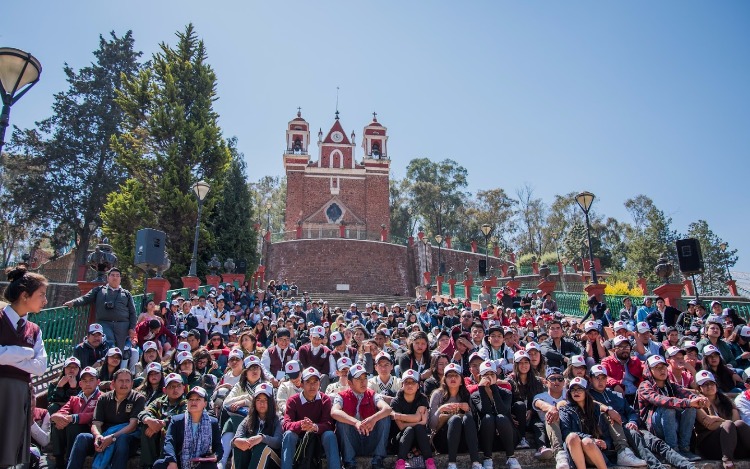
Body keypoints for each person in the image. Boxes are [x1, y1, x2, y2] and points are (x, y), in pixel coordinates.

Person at [588, 364, 687, 468]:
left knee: (658, 443)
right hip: (614, 432)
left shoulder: (615, 395)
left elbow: (631, 412)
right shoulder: (588, 396)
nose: (600, 381)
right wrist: (608, 409)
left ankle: (687, 466)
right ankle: (657, 467)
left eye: (603, 378)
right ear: (590, 379)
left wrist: (633, 422)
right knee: (636, 438)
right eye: (597, 378)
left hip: (630, 426)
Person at [0, 266, 48, 468]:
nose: (45, 300)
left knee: (9, 451)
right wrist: (25, 353)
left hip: (20, 392)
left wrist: (7, 353)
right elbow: (32, 359)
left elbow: (40, 367)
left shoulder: (34, 330)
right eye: (41, 295)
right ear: (25, 296)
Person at [67, 368, 146, 469]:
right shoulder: (104, 398)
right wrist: (98, 436)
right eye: (121, 381)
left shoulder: (138, 398)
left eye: (127, 381)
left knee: (122, 440)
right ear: (113, 383)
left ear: (131, 383)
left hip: (125, 439)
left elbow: (132, 426)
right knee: (82, 437)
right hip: (104, 437)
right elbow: (96, 423)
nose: (124, 384)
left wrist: (112, 438)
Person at [636, 355, 704, 461]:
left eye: (663, 367)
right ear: (649, 370)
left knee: (690, 409)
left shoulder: (670, 385)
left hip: (672, 423)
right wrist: (688, 402)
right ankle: (673, 451)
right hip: (653, 427)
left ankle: (684, 449)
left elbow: (685, 393)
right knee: (668, 409)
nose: (662, 370)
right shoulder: (645, 386)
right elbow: (659, 400)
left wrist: (699, 399)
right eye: (657, 368)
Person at [64, 268, 137, 360]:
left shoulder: (126, 294)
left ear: (120, 279)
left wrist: (132, 328)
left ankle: (116, 372)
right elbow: (85, 298)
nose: (115, 278)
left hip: (122, 325)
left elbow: (133, 312)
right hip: (104, 323)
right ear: (108, 278)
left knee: (120, 350)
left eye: (117, 276)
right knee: (108, 345)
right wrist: (73, 302)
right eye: (112, 275)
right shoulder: (99, 290)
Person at [331, 363, 392, 469]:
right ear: (350, 383)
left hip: (370, 438)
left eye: (365, 378)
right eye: (359, 379)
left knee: (385, 417)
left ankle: (378, 459)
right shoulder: (342, 396)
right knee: (341, 421)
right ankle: (349, 462)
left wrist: (373, 419)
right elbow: (334, 412)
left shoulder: (372, 394)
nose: (363, 382)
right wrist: (355, 422)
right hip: (352, 441)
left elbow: (387, 409)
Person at [281, 366, 340, 469]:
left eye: (315, 382)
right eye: (308, 382)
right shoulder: (293, 400)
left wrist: (314, 427)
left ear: (319, 384)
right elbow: (286, 424)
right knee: (289, 435)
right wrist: (301, 425)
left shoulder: (325, 399)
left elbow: (329, 424)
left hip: (318, 437)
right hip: (299, 436)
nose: (312, 386)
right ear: (301, 384)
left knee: (330, 435)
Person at [689, 370, 750, 467]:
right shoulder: (696, 402)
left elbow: (736, 421)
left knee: (740, 424)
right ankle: (727, 461)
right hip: (710, 445)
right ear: (700, 388)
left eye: (711, 383)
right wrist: (726, 423)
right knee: (729, 425)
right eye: (705, 384)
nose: (709, 386)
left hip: (731, 442)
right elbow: (710, 425)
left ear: (716, 385)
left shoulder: (725, 400)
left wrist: (720, 420)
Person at [428, 363, 482, 469]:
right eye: (449, 376)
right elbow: (431, 425)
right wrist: (440, 410)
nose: (453, 378)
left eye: (456, 375)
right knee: (455, 419)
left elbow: (473, 425)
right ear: (445, 379)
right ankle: (451, 464)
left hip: (462, 441)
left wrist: (468, 410)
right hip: (442, 441)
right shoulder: (437, 395)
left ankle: (475, 462)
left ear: (461, 380)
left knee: (467, 417)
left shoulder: (466, 395)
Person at [153, 386, 222, 469]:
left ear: (205, 403)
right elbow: (169, 442)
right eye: (191, 399)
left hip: (201, 463)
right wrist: (172, 461)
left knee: (210, 466)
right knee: (159, 464)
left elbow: (218, 447)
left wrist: (216, 456)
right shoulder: (176, 420)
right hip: (179, 463)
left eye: (198, 399)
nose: (193, 402)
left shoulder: (212, 422)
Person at [471, 361, 522, 469]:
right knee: (488, 418)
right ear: (480, 377)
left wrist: (494, 388)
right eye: (485, 375)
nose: (489, 378)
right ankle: (487, 458)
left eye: (492, 375)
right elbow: (485, 412)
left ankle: (511, 457)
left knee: (501, 418)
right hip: (487, 439)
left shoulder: (506, 392)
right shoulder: (475, 395)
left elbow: (502, 411)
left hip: (508, 437)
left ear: (496, 376)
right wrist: (481, 388)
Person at [50, 366, 101, 469]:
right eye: (84, 381)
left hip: (91, 435)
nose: (88, 383)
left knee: (73, 426)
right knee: (58, 425)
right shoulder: (75, 399)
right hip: (73, 432)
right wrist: (56, 417)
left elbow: (94, 415)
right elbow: (62, 411)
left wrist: (74, 418)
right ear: (80, 384)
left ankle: (70, 460)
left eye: (91, 380)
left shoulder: (102, 397)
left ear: (98, 382)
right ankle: (59, 461)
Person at [559, 377, 614, 469]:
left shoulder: (596, 408)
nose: (576, 392)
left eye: (580, 389)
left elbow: (606, 434)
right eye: (573, 389)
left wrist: (605, 444)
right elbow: (566, 432)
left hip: (594, 451)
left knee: (587, 442)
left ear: (586, 391)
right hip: (575, 452)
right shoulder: (565, 409)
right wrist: (591, 438)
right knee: (573, 437)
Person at [137, 372, 187, 468]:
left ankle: (166, 461)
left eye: (178, 386)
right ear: (165, 390)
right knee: (146, 425)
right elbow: (143, 413)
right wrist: (149, 420)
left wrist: (162, 423)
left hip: (178, 437)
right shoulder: (160, 401)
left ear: (183, 388)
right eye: (171, 387)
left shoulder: (186, 402)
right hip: (157, 436)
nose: (175, 389)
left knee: (167, 429)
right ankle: (148, 465)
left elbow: (183, 417)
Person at [389, 369, 435, 469]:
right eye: (407, 382)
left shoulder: (422, 398)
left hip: (419, 439)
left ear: (418, 385)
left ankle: (429, 462)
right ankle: (400, 463)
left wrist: (399, 416)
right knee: (409, 430)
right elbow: (401, 427)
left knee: (419, 428)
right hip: (400, 439)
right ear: (402, 385)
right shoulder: (395, 401)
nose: (410, 385)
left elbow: (419, 419)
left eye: (413, 382)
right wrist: (420, 421)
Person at [232, 382, 282, 469]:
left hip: (272, 462)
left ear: (271, 402)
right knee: (240, 447)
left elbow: (278, 442)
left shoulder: (278, 419)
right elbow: (236, 438)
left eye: (265, 400)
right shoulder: (249, 419)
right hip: (251, 458)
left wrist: (261, 438)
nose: (261, 403)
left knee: (261, 448)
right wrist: (237, 441)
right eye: (258, 400)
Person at [507, 350, 545, 450]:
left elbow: (540, 399)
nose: (524, 365)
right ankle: (522, 439)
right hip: (516, 418)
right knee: (520, 405)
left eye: (526, 362)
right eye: (520, 363)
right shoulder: (509, 382)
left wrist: (532, 411)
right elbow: (506, 402)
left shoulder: (537, 381)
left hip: (531, 416)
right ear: (515, 365)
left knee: (539, 425)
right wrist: (510, 415)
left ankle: (542, 447)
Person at [532, 367, 569, 469]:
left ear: (564, 382)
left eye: (560, 379)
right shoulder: (540, 396)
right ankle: (560, 454)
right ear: (546, 382)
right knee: (551, 416)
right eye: (552, 379)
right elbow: (540, 404)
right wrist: (552, 408)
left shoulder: (569, 394)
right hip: (550, 430)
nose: (557, 381)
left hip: (568, 426)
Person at [601, 336, 643, 404]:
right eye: (621, 347)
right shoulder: (607, 361)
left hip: (637, 394)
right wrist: (615, 384)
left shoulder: (635, 360)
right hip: (619, 395)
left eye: (627, 346)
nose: (625, 349)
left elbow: (646, 371)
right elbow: (603, 376)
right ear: (614, 349)